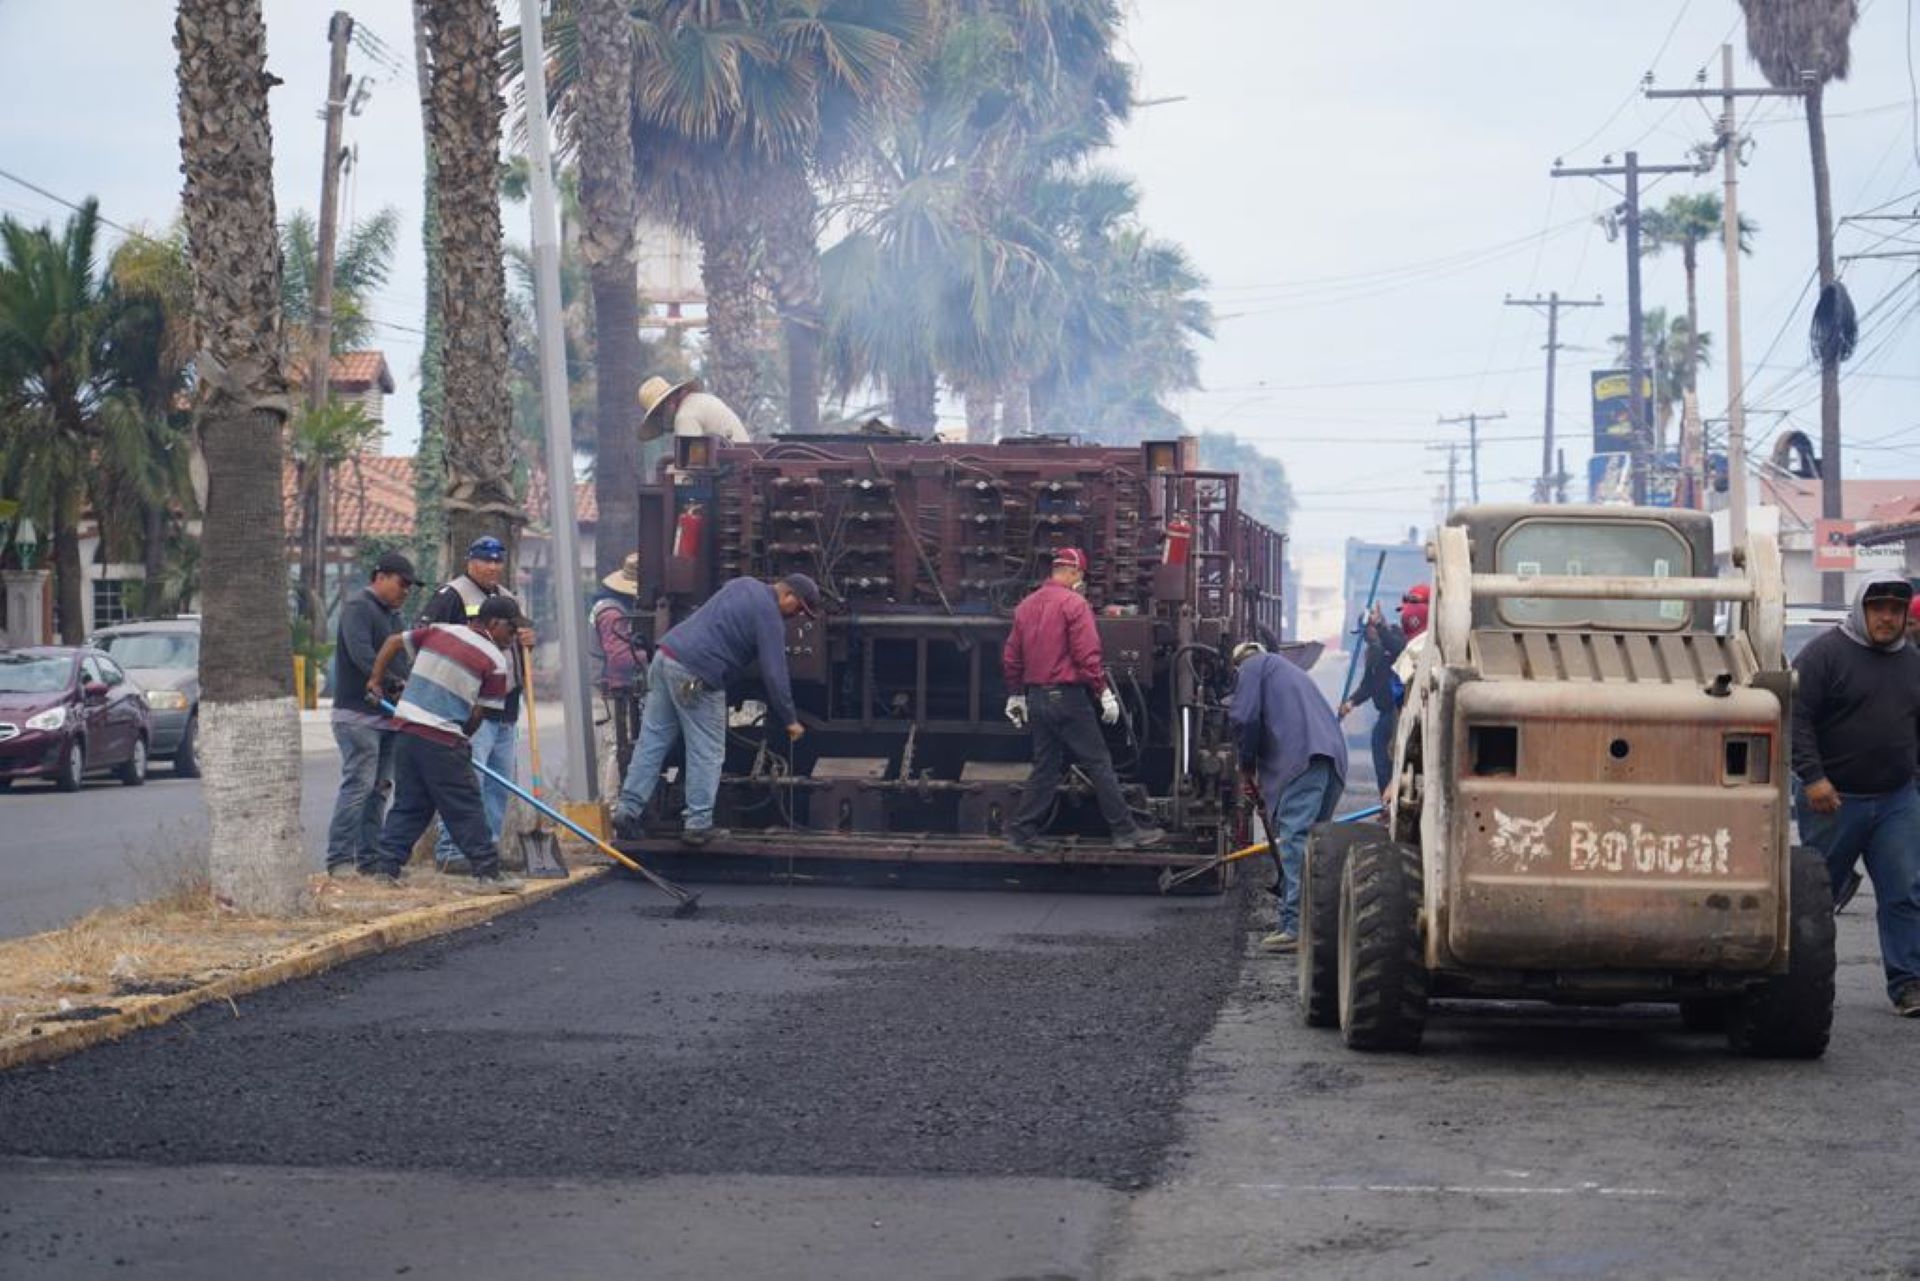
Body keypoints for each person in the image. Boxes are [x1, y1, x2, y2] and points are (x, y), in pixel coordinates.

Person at [1791, 574, 1920, 1018]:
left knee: (1904, 892)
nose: (1887, 617)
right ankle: (1794, 983)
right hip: (1833, 800)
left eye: (1895, 610)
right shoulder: (1825, 654)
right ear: (1861, 609)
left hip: (1896, 800)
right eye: (1878, 608)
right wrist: (1813, 779)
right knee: (1815, 899)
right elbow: (1797, 719)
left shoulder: (1912, 662)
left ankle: (1908, 985)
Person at [612, 573, 820, 845]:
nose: (796, 617)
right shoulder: (769, 613)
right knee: (707, 749)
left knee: (653, 740)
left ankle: (627, 811)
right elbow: (774, 672)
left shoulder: (743, 584)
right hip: (697, 673)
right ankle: (698, 823)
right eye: (799, 610)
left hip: (665, 657)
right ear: (789, 596)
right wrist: (790, 719)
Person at [1001, 548, 1164, 854]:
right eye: (1082, 577)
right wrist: (1103, 692)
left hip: (1036, 696)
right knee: (1099, 762)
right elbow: (1086, 654)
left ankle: (1021, 831)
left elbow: (1011, 656)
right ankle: (1125, 831)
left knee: (1046, 766)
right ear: (1075, 573)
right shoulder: (1075, 605)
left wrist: (1015, 694)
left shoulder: (1025, 606)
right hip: (1067, 698)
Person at [365, 595, 527, 894]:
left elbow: (391, 642)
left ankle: (386, 868)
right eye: (512, 629)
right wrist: (462, 736)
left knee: (411, 805)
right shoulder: (495, 661)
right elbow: (480, 713)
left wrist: (375, 680)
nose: (514, 636)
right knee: (465, 805)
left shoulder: (440, 631)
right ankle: (489, 873)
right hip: (442, 738)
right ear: (493, 623)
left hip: (406, 730)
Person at [418, 536, 534, 873]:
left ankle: (487, 851)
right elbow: (427, 639)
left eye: (498, 561)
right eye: (485, 560)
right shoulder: (451, 596)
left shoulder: (508, 598)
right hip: (471, 708)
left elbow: (519, 642)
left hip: (506, 705)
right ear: (470, 561)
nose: (493, 567)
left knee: (498, 786)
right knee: (468, 782)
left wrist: (529, 639)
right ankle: (452, 851)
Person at [1230, 641, 1349, 953]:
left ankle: (1295, 926)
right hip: (1332, 758)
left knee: (1295, 842)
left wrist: (1245, 765)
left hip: (1303, 759)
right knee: (1313, 847)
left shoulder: (1252, 667)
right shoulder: (1288, 672)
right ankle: (1316, 924)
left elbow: (1245, 719)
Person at [325, 551, 416, 878]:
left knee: (379, 790)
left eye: (410, 586)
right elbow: (363, 655)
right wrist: (391, 683)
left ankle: (370, 860)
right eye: (402, 583)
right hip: (358, 717)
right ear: (381, 577)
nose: (406, 590)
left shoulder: (393, 616)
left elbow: (401, 660)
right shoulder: (359, 608)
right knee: (359, 787)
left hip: (388, 717)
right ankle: (339, 860)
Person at [1338, 586, 1428, 796]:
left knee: (1398, 752)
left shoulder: (1395, 637)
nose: (1366, 638)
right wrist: (1351, 703)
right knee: (1380, 747)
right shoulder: (1374, 653)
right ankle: (1385, 797)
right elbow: (1369, 684)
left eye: (1367, 632)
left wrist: (1380, 626)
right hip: (1385, 714)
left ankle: (1396, 793)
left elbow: (1400, 648)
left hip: (1402, 709)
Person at [590, 552, 648, 777]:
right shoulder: (613, 613)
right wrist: (652, 654)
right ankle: (614, 804)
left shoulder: (607, 606)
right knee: (616, 746)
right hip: (609, 687)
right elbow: (620, 657)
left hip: (609, 685)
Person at [636, 375, 748, 444]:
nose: (660, 421)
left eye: (658, 414)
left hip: (732, 474)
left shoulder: (684, 417)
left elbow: (691, 468)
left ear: (669, 403)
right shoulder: (699, 400)